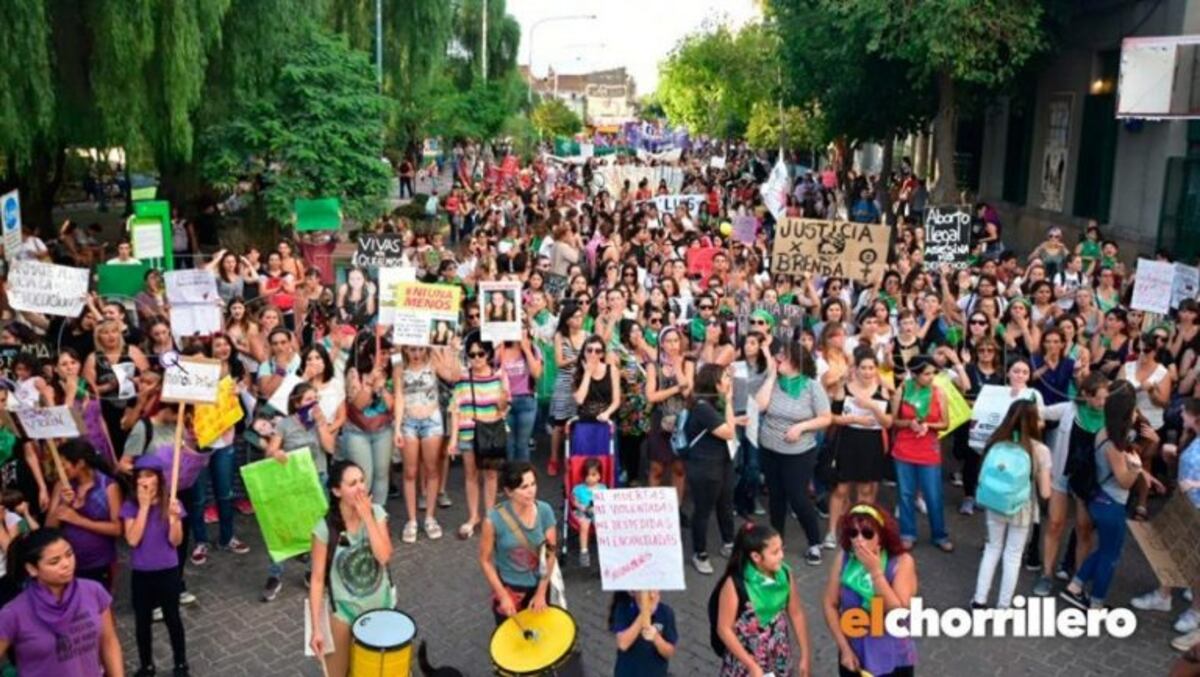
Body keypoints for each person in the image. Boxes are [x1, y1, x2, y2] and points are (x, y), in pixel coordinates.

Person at [1061, 382, 1165, 610]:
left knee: (1105, 550)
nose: (1136, 413)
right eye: (1133, 409)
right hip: (1111, 504)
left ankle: (1075, 586)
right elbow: (1124, 480)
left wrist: (1143, 470)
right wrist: (1137, 469)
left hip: (1101, 500)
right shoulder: (1112, 443)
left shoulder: (1108, 433)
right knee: (1111, 556)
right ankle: (1096, 604)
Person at [308, 460, 394, 677]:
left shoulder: (376, 513)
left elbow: (384, 556)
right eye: (352, 483)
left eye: (362, 481)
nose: (361, 488)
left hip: (380, 605)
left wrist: (367, 516)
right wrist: (316, 629)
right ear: (337, 491)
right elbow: (317, 580)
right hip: (344, 613)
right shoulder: (324, 529)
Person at [0, 529, 124, 676]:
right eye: (54, 561)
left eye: (69, 554)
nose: (66, 564)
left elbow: (108, 641)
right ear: (32, 569)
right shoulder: (13, 613)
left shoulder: (93, 591)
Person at [754, 340, 832, 566]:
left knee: (798, 497)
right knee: (776, 496)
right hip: (770, 449)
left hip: (798, 452)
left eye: (783, 357)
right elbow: (759, 406)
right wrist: (770, 377)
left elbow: (826, 417)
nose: (778, 359)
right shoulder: (774, 382)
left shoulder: (811, 387)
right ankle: (777, 541)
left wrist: (801, 427)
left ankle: (814, 542)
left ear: (796, 361)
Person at [971, 400, 1052, 609]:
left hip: (993, 502)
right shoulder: (1040, 450)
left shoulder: (996, 442)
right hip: (1021, 506)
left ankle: (979, 600)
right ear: (1034, 421)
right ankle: (1003, 606)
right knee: (1013, 555)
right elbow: (1045, 492)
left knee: (992, 548)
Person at [822, 504, 918, 677]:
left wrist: (875, 573)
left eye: (867, 533)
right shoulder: (843, 560)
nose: (859, 539)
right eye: (853, 533)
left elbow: (898, 615)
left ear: (881, 536)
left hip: (892, 656)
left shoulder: (902, 562)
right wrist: (844, 648)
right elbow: (830, 604)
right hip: (854, 652)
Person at [714, 522, 812, 677]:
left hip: (779, 652)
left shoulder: (785, 574)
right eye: (775, 552)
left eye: (781, 549)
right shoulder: (735, 584)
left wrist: (805, 655)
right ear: (756, 557)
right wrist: (751, 665)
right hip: (746, 657)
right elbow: (724, 629)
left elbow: (796, 613)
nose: (782, 555)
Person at [121, 454, 187, 677]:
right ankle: (146, 665)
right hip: (142, 573)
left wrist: (175, 518)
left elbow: (176, 541)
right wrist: (143, 507)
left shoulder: (172, 502)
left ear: (159, 478)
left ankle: (180, 663)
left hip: (168, 570)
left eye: (148, 475)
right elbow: (132, 539)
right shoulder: (130, 505)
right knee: (142, 622)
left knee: (173, 618)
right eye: (139, 476)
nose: (143, 481)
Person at [827, 347, 892, 548]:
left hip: (871, 444)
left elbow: (888, 422)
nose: (867, 372)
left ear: (876, 369)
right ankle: (832, 531)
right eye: (863, 368)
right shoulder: (844, 387)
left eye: (871, 368)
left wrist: (871, 406)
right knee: (841, 488)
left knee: (866, 489)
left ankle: (862, 528)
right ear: (855, 369)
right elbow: (832, 417)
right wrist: (853, 418)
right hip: (847, 441)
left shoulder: (882, 389)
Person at [393, 345, 459, 543]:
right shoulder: (399, 366)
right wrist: (397, 427)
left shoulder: (433, 362)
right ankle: (412, 520)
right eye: (412, 350)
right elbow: (399, 397)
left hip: (432, 419)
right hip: (409, 421)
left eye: (420, 349)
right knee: (410, 472)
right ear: (406, 350)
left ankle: (430, 517)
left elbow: (453, 376)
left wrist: (451, 351)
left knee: (432, 470)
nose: (416, 354)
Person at [478, 461, 558, 625]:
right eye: (523, 487)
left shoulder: (544, 511)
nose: (531, 491)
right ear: (508, 491)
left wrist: (541, 593)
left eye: (533, 484)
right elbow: (485, 560)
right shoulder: (493, 519)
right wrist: (502, 595)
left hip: (538, 586)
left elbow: (550, 553)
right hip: (510, 588)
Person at [449, 336, 511, 540]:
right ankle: (474, 515)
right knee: (471, 475)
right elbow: (455, 409)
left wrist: (503, 388)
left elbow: (503, 408)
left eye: (480, 354)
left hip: (491, 433)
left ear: (488, 354)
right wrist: (453, 440)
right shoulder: (463, 378)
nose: (476, 358)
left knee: (491, 476)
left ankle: (490, 516)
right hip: (468, 432)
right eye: (472, 354)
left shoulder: (498, 376)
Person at [890, 355, 952, 551]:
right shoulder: (902, 390)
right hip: (905, 448)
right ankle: (907, 532)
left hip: (928, 448)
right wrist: (909, 423)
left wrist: (928, 425)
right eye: (926, 374)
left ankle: (939, 534)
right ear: (915, 374)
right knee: (905, 493)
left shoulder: (938, 393)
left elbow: (945, 423)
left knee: (933, 494)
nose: (931, 377)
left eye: (933, 373)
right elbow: (893, 421)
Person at [683, 363, 739, 575]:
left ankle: (728, 542)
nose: (729, 380)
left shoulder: (714, 403)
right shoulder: (702, 406)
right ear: (714, 382)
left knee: (725, 503)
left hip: (723, 461)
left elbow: (727, 424)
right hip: (705, 465)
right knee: (703, 510)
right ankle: (700, 552)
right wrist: (730, 402)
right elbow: (728, 432)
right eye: (725, 377)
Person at [45, 439, 122, 590]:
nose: (59, 469)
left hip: (100, 562)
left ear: (80, 463)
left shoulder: (108, 486)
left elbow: (117, 529)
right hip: (67, 565)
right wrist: (63, 504)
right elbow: (49, 528)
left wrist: (77, 520)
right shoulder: (61, 486)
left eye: (63, 464)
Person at [609, 590, 677, 677]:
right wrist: (645, 613)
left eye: (655, 589)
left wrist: (656, 638)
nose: (652, 595)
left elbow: (669, 652)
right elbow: (623, 644)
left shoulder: (666, 613)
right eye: (647, 591)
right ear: (632, 592)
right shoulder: (624, 609)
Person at [570, 458, 606, 567]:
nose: (590, 478)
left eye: (593, 475)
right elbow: (575, 502)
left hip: (597, 511)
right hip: (582, 511)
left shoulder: (602, 488)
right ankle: (584, 551)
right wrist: (582, 507)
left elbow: (605, 502)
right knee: (584, 525)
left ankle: (604, 550)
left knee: (601, 526)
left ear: (599, 476)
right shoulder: (578, 489)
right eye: (588, 475)